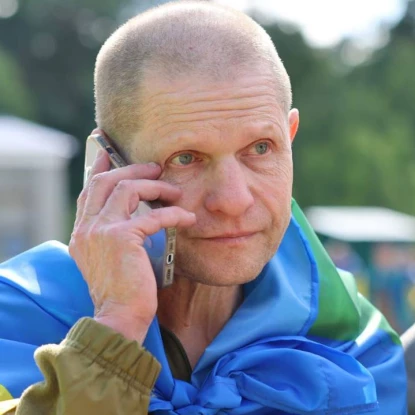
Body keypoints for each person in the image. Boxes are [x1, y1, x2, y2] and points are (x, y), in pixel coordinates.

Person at [0, 1, 408, 414]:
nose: (233, 200)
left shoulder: (353, 338)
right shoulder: (14, 319)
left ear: (290, 138)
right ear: (107, 163)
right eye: (186, 158)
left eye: (260, 148)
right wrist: (116, 327)